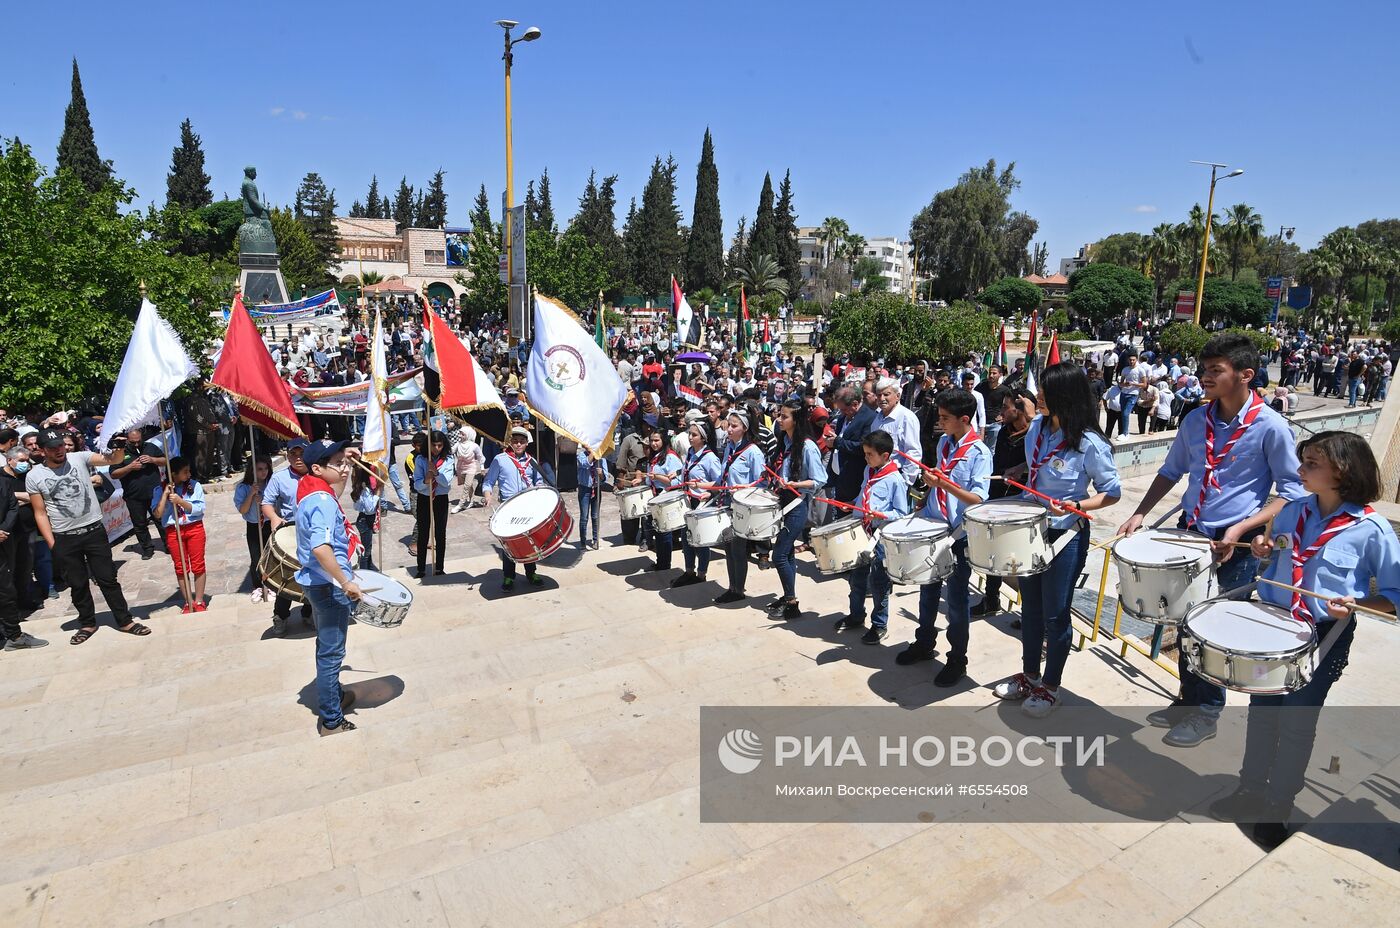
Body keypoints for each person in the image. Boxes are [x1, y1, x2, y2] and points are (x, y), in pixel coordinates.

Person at [1210, 431, 1400, 849]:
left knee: (1296, 724)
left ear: (1342, 470)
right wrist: (1263, 548)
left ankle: (1278, 807)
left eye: (1312, 463)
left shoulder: (1372, 529)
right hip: (1273, 630)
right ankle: (1250, 790)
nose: (1301, 470)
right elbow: (1279, 552)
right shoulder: (1293, 510)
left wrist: (1357, 603)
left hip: (1322, 635)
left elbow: (1394, 594)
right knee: (1262, 714)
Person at [1118, 333, 1305, 747]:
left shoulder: (1270, 427)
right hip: (1192, 533)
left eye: (1215, 370)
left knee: (1213, 629)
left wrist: (1241, 529)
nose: (1204, 377)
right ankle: (1187, 701)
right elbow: (1171, 471)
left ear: (1245, 375)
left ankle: (1207, 712)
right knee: (1183, 621)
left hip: (1237, 542)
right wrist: (1139, 512)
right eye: (1204, 369)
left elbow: (1292, 492)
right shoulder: (1195, 420)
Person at [992, 363, 1120, 717]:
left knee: (1056, 614)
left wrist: (1077, 503)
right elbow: (1038, 467)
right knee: (1029, 607)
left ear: (1067, 395)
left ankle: (1051, 686)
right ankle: (1029, 674)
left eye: (1046, 392)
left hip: (1066, 534)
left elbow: (1112, 492)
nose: (1038, 397)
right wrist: (1021, 471)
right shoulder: (1036, 428)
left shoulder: (1090, 443)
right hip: (1031, 527)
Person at [896, 390, 991, 685]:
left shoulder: (979, 453)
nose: (939, 422)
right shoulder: (943, 443)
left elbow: (977, 499)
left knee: (957, 600)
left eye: (945, 418)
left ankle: (957, 659)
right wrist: (928, 494)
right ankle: (925, 642)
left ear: (964, 419)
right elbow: (941, 480)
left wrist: (944, 484)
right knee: (927, 589)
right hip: (933, 527)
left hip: (959, 535)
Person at [26, 428, 150, 644]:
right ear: (42, 451)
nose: (59, 451)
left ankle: (125, 621)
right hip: (65, 537)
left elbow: (112, 459)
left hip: (93, 531)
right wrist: (53, 543)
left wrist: (119, 447)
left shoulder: (79, 457)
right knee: (78, 583)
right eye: (53, 448)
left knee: (107, 579)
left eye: (61, 446)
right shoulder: (34, 475)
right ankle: (87, 623)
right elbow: (40, 512)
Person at [294, 439, 365, 736]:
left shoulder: (311, 489)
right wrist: (346, 581)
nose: (345, 467)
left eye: (344, 461)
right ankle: (332, 719)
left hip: (316, 583)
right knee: (332, 654)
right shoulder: (322, 502)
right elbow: (322, 548)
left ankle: (334, 694)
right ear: (317, 468)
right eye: (338, 463)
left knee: (326, 646)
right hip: (329, 586)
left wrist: (341, 461)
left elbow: (333, 486)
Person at [838, 430, 910, 643]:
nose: (866, 457)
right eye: (865, 453)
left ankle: (879, 624)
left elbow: (901, 513)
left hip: (879, 537)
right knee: (856, 579)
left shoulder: (895, 479)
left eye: (870, 454)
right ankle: (856, 615)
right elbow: (864, 496)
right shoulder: (869, 472)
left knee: (878, 583)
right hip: (861, 532)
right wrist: (852, 505)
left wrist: (879, 515)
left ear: (885, 456)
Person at [972, 388, 1036, 625]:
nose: (1001, 412)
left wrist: (1022, 470)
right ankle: (991, 598)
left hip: (1022, 503)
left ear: (1019, 409)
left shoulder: (1034, 435)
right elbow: (998, 465)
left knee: (1020, 559)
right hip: (998, 497)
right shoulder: (1003, 433)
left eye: (1005, 407)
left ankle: (1029, 610)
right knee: (993, 551)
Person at [766, 399, 828, 619]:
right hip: (783, 502)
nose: (779, 420)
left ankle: (792, 603)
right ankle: (788, 595)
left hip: (797, 505)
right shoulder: (786, 441)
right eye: (780, 415)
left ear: (796, 420)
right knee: (788, 553)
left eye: (785, 416)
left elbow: (820, 479)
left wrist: (795, 484)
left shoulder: (808, 447)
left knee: (779, 555)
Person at [482, 426, 548, 590]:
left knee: (529, 540)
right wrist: (487, 494)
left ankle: (531, 572)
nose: (518, 444)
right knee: (509, 542)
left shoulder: (531, 461)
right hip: (508, 505)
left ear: (526, 443)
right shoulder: (500, 459)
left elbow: (538, 480)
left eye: (521, 442)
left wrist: (539, 490)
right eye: (515, 441)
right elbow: (488, 481)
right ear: (510, 442)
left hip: (527, 505)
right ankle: (508, 576)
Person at [262, 438, 315, 635]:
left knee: (313, 575)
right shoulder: (279, 478)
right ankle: (280, 616)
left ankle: (308, 612)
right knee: (285, 576)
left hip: (312, 531)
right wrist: (274, 518)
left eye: (302, 453)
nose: (298, 458)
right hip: (290, 532)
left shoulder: (317, 473)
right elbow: (266, 503)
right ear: (287, 455)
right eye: (294, 454)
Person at [714, 410, 767, 604]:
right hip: (727, 503)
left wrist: (744, 488)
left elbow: (762, 483)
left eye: (734, 426)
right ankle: (732, 586)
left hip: (743, 506)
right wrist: (708, 489)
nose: (729, 429)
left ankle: (737, 590)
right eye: (728, 425)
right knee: (728, 547)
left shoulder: (753, 452)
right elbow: (723, 476)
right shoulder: (729, 447)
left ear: (744, 428)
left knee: (737, 549)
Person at [0, 447, 47, 650]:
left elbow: (11, 506)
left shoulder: (2, 483)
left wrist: (3, 529)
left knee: (6, 588)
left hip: (5, 538)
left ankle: (14, 635)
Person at [671, 419, 721, 587]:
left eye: (694, 435)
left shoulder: (710, 458)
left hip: (702, 503)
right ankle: (689, 571)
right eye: (689, 434)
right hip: (688, 500)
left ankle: (701, 574)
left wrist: (709, 491)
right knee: (687, 539)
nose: (690, 437)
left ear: (704, 437)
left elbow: (719, 482)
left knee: (700, 540)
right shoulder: (691, 452)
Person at [108, 426, 166, 560]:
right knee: (139, 524)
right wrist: (130, 467)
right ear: (127, 440)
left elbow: (165, 460)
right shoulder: (120, 453)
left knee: (161, 520)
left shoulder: (150, 447)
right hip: (134, 495)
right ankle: (147, 549)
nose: (136, 444)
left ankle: (168, 544)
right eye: (133, 442)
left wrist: (153, 460)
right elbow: (114, 474)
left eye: (138, 441)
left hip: (154, 493)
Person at [412, 430, 453, 579]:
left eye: (439, 445)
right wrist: (426, 480)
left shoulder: (448, 460)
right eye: (434, 445)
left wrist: (435, 473)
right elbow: (416, 484)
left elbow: (447, 483)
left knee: (440, 533)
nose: (436, 449)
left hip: (441, 498)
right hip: (424, 497)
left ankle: (439, 567)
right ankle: (421, 568)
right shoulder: (421, 460)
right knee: (423, 533)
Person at [642, 426, 683, 572]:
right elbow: (650, 480)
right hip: (655, 498)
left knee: (664, 533)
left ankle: (665, 565)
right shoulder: (654, 458)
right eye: (652, 441)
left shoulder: (671, 457)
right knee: (657, 531)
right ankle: (660, 562)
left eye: (656, 440)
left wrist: (658, 477)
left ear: (663, 440)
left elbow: (677, 481)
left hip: (666, 498)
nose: (653, 444)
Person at [234, 455, 273, 603]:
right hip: (253, 524)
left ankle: (270, 585)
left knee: (270, 555)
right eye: (259, 469)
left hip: (268, 523)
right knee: (256, 557)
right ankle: (258, 586)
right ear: (252, 471)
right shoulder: (243, 487)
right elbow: (242, 510)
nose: (263, 472)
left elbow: (278, 506)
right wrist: (251, 495)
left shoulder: (271, 484)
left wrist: (264, 502)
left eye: (265, 469)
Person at [871, 377, 923, 481]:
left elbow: (913, 452)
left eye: (886, 394)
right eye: (879, 395)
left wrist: (905, 481)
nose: (881, 399)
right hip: (877, 473)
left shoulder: (907, 418)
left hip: (896, 475)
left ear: (897, 396)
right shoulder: (877, 418)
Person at [576, 447, 610, 550]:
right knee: (584, 517)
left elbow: (605, 477)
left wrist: (601, 474)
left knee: (595, 516)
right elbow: (585, 463)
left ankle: (595, 540)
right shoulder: (581, 455)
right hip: (584, 489)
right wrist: (593, 452)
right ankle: (582, 541)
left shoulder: (601, 459)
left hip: (596, 488)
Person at [350, 462, 381, 572]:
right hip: (365, 520)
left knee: (368, 547)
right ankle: (365, 570)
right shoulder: (365, 490)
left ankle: (370, 566)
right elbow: (370, 509)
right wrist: (377, 494)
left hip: (363, 519)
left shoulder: (358, 487)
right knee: (366, 551)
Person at [450, 425, 486, 513]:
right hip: (460, 467)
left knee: (467, 486)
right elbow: (451, 451)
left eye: (463, 434)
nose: (460, 436)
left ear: (468, 435)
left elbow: (480, 457)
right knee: (468, 486)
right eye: (460, 434)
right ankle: (472, 500)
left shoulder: (474, 446)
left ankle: (460, 504)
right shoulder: (458, 444)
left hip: (471, 467)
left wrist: (482, 468)